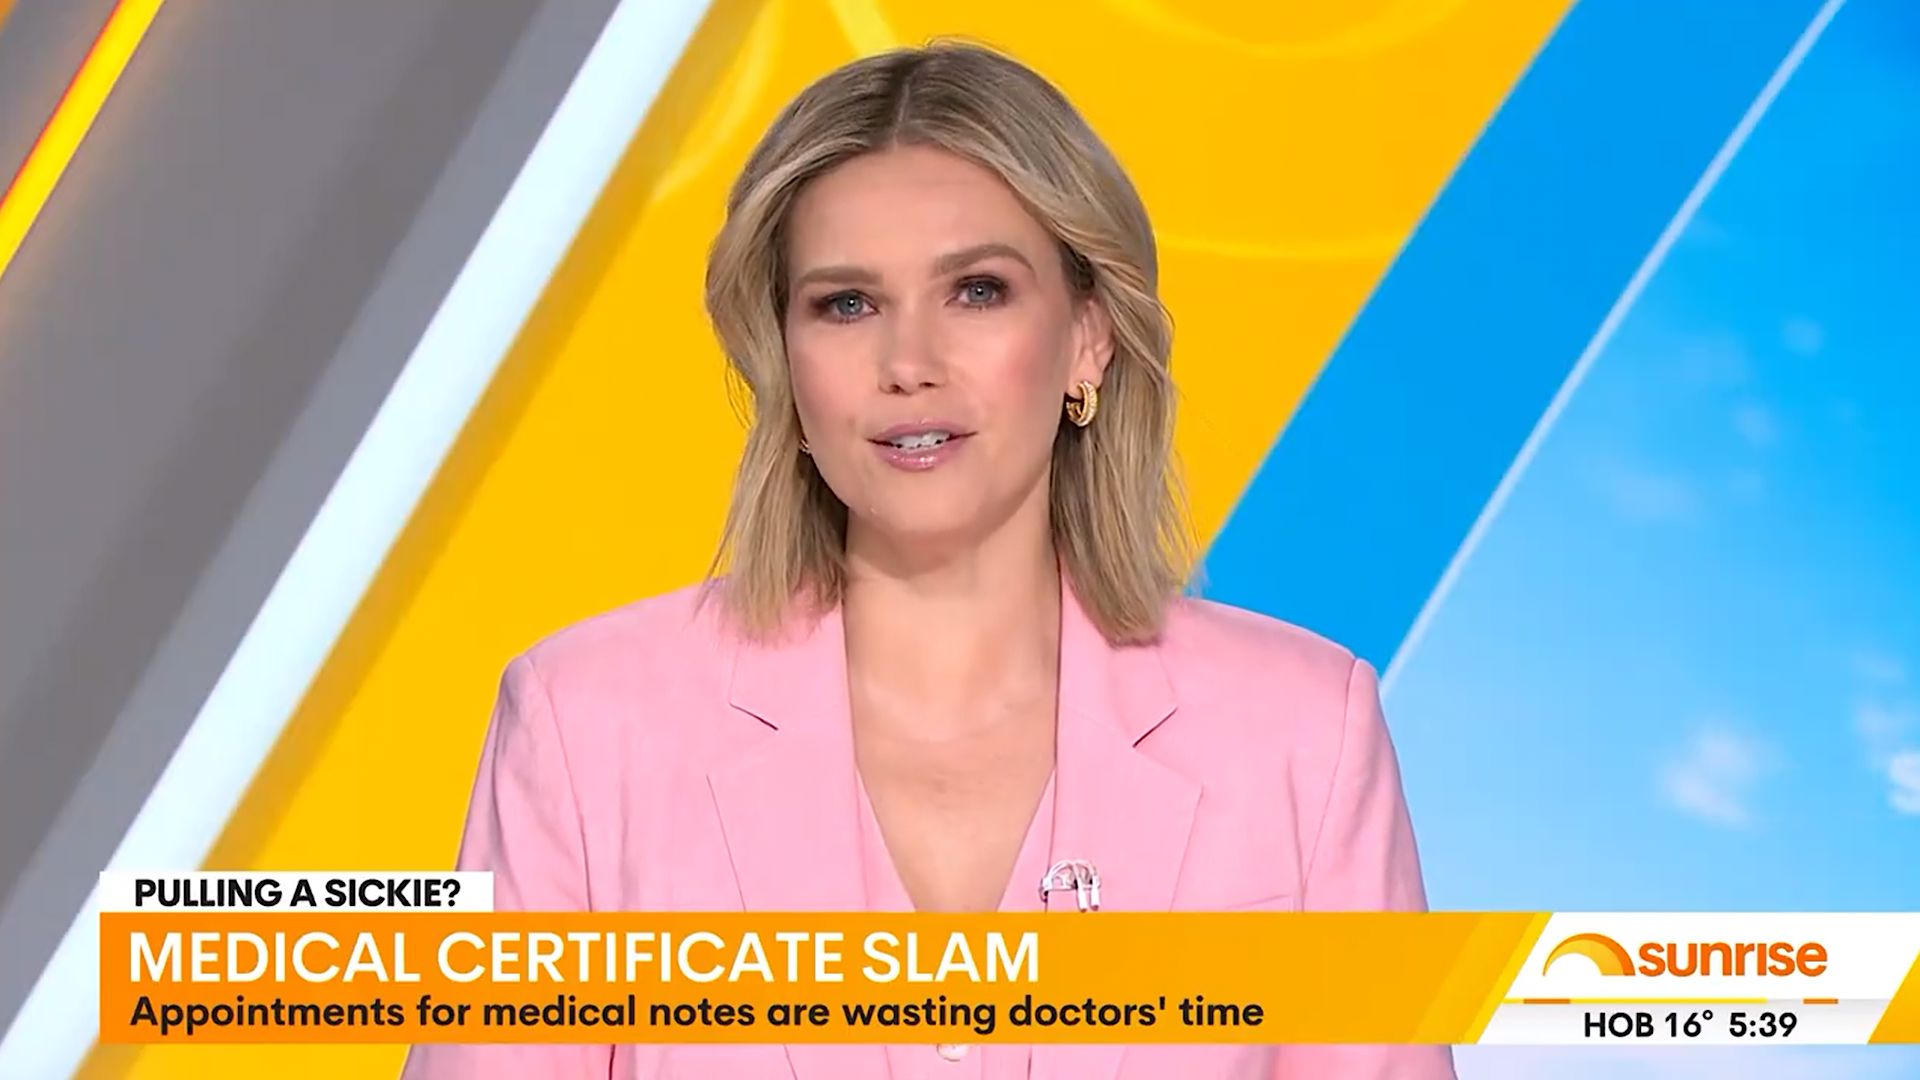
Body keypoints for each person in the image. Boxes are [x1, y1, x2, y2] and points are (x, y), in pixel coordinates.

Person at [402, 40, 1451, 1080]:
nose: (909, 365)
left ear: (1088, 336)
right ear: (783, 361)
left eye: (977, 291)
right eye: (846, 304)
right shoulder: (585, 730)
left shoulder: (1303, 734)